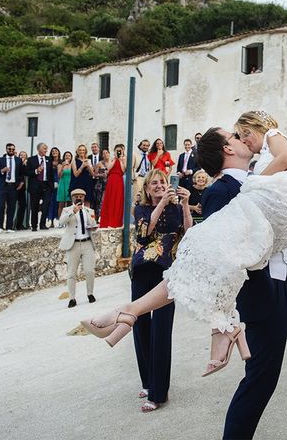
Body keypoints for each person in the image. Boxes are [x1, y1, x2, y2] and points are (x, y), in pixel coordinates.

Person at [81, 114, 287, 438]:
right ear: (227, 147)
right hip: (264, 297)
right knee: (260, 382)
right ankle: (131, 310)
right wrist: (221, 325)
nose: (243, 137)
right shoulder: (220, 192)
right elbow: (215, 258)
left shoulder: (262, 172)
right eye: (235, 135)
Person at [131, 169, 192, 412]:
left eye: (163, 182)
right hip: (141, 272)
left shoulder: (177, 209)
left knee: (161, 331)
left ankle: (159, 393)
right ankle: (148, 382)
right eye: (154, 183)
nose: (159, 186)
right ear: (147, 189)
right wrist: (162, 203)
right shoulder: (142, 209)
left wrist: (185, 205)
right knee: (141, 327)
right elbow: (144, 234)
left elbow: (188, 234)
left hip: (167, 275)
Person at [58, 188, 99, 308]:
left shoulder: (89, 210)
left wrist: (93, 226)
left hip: (87, 242)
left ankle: (90, 293)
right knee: (71, 273)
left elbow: (93, 223)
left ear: (84, 198)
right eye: (76, 196)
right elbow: (61, 222)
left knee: (89, 270)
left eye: (81, 196)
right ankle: (72, 298)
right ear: (72, 198)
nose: (79, 198)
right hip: (73, 244)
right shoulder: (67, 210)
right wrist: (73, 211)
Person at [0, 143, 23, 233]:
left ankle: (9, 227)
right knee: (1, 206)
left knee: (12, 207)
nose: (11, 151)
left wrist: (21, 182)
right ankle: (0, 227)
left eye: (12, 149)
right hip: (3, 186)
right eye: (9, 149)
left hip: (13, 186)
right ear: (6, 150)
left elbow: (21, 173)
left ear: (14, 150)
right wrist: (2, 170)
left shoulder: (18, 160)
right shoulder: (0, 160)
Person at [27, 142, 55, 231]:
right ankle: (34, 225)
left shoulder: (48, 159)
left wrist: (51, 186)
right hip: (35, 185)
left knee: (46, 205)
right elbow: (27, 172)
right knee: (34, 206)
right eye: (44, 148)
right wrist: (36, 171)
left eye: (46, 148)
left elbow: (50, 174)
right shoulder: (31, 159)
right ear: (38, 149)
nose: (46, 150)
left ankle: (42, 224)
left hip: (46, 185)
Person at [99, 144, 127, 228]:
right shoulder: (112, 159)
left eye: (120, 150)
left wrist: (121, 160)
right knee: (110, 199)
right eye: (117, 150)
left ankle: (116, 222)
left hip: (119, 179)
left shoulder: (124, 159)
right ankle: (107, 221)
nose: (118, 152)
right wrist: (115, 159)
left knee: (118, 199)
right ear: (114, 151)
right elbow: (109, 169)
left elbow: (123, 170)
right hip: (111, 180)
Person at [46, 147, 61, 228]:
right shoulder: (49, 161)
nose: (54, 152)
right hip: (51, 183)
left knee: (58, 203)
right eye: (53, 151)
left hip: (60, 182)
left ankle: (58, 219)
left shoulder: (61, 161)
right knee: (50, 202)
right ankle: (50, 220)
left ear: (58, 152)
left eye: (56, 151)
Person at [14, 151, 29, 231]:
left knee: (23, 205)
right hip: (16, 186)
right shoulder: (16, 163)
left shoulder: (27, 165)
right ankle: (12, 224)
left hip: (24, 188)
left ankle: (20, 224)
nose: (22, 156)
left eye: (24, 155)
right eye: (21, 155)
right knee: (13, 206)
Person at [93, 149, 110, 219]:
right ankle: (98, 217)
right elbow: (95, 174)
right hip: (101, 184)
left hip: (109, 184)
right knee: (100, 201)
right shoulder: (99, 163)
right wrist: (101, 175)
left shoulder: (112, 162)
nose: (105, 154)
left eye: (106, 153)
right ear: (102, 155)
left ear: (109, 153)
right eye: (103, 153)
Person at [57, 151, 73, 217]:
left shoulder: (72, 165)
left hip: (70, 184)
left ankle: (69, 220)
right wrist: (63, 166)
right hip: (62, 184)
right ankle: (60, 221)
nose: (67, 157)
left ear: (71, 157)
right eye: (66, 155)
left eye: (69, 155)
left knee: (70, 204)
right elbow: (59, 176)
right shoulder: (60, 165)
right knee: (61, 204)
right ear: (64, 157)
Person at [88, 142, 101, 212]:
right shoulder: (88, 158)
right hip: (90, 181)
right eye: (92, 147)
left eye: (95, 147)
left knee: (99, 199)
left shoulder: (102, 157)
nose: (94, 148)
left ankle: (98, 216)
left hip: (100, 181)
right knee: (91, 198)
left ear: (98, 148)